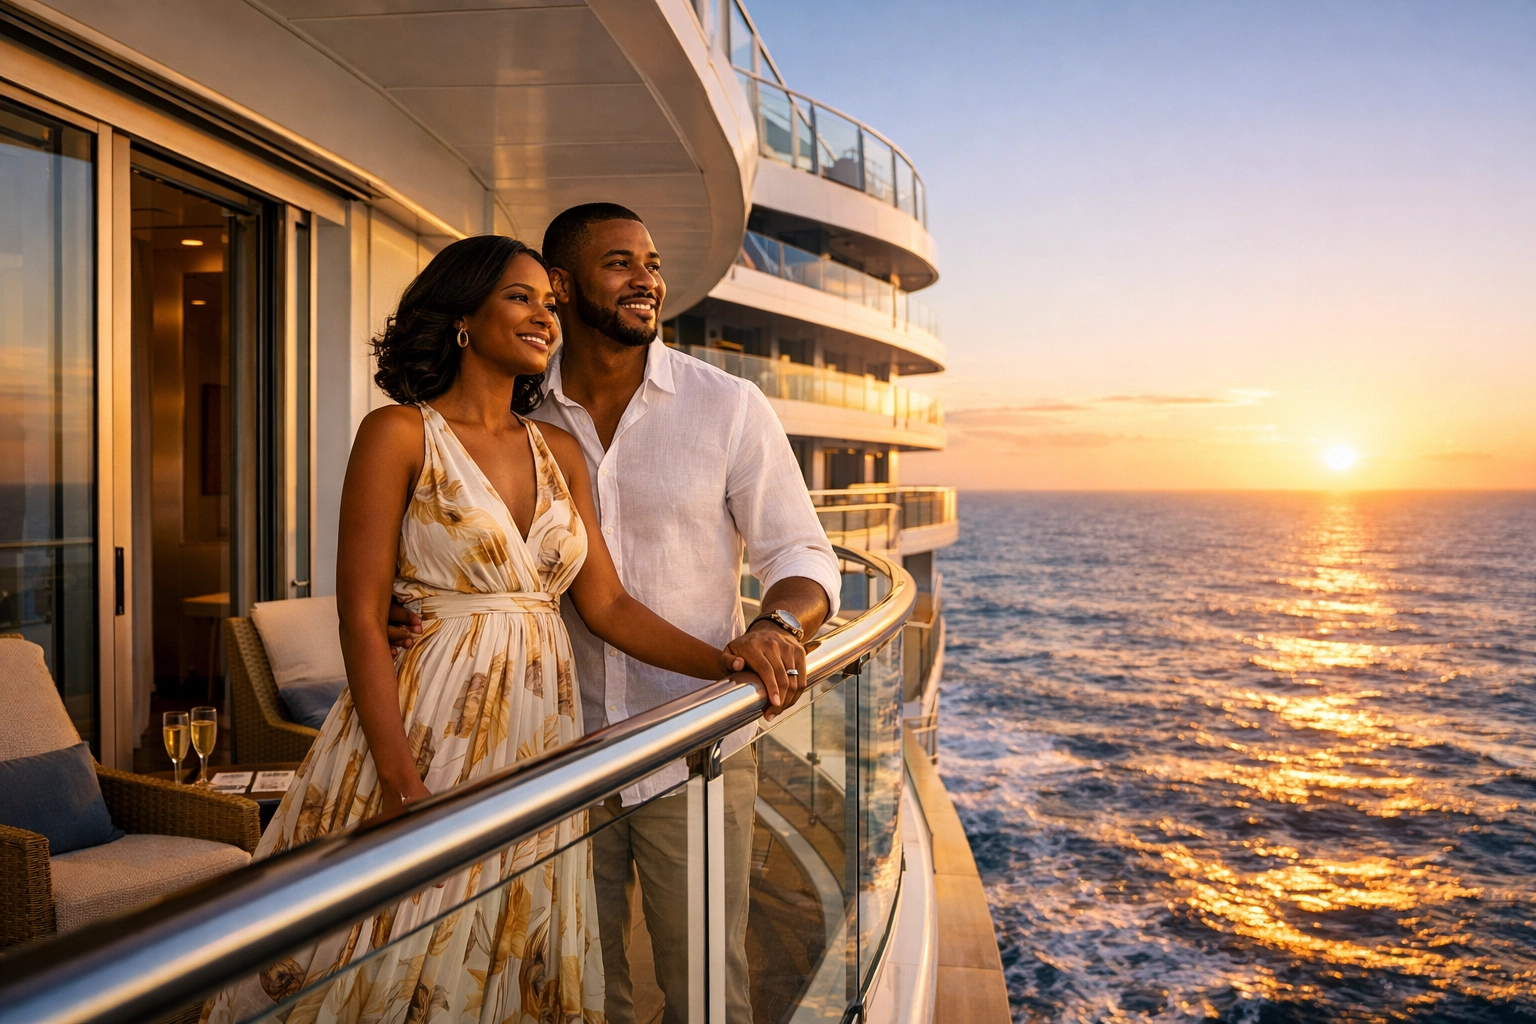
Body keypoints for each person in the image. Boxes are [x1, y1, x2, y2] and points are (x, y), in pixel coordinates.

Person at [202, 235, 759, 1024]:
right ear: (464, 315)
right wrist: (402, 785)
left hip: (539, 733)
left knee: (506, 953)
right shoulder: (398, 434)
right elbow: (360, 616)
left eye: (549, 303)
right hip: (426, 727)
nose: (545, 317)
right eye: (520, 298)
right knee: (394, 955)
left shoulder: (558, 448)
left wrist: (730, 665)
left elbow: (608, 607)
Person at [390, 204, 841, 1024]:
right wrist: (406, 602)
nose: (649, 280)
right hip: (550, 749)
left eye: (653, 262)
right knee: (575, 991)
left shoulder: (728, 406)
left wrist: (775, 630)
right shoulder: (516, 414)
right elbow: (446, 541)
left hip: (693, 746)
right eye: (620, 263)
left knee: (706, 992)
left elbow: (802, 555)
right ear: (559, 286)